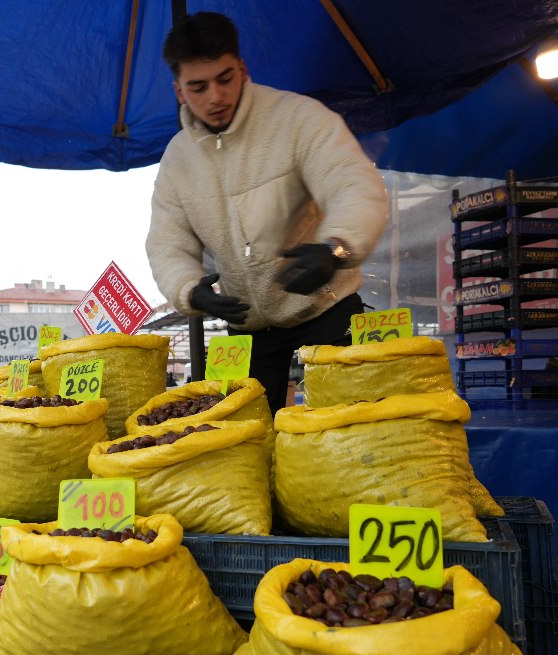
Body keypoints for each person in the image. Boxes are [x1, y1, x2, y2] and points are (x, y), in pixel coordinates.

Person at [147, 11, 388, 414]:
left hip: (326, 308)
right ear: (179, 91)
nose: (215, 97)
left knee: (353, 427)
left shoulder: (299, 118)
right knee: (245, 439)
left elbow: (355, 185)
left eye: (225, 79)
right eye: (198, 86)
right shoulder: (176, 160)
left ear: (242, 68)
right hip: (248, 327)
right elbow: (166, 243)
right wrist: (190, 290)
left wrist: (337, 248)